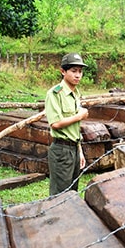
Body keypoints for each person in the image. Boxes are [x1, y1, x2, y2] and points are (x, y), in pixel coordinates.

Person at [44, 53, 89, 195]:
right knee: (60, 194)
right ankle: (56, 217)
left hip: (74, 148)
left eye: (80, 71)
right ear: (63, 71)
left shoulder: (75, 94)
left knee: (72, 193)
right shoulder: (55, 93)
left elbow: (74, 129)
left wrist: (80, 152)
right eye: (74, 71)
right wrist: (79, 116)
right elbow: (55, 123)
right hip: (61, 150)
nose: (78, 75)